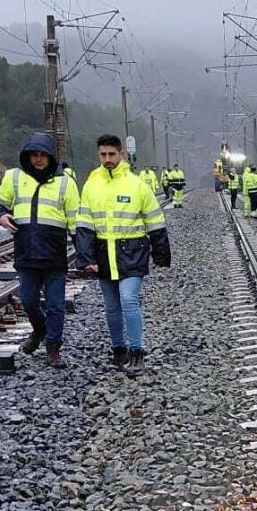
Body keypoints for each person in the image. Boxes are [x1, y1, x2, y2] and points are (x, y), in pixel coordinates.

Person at [75, 135, 171, 374]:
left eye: (112, 154)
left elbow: (155, 220)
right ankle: (119, 349)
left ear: (122, 154)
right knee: (111, 306)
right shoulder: (91, 185)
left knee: (129, 299)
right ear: (99, 155)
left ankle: (137, 351)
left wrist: (161, 253)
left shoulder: (136, 184)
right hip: (103, 253)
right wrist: (85, 258)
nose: (107, 159)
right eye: (103, 155)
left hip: (132, 252)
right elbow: (84, 224)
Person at [0, 133, 80, 368]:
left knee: (56, 305)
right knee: (29, 301)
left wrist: (85, 254)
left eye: (43, 155)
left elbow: (75, 222)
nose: (38, 160)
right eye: (34, 155)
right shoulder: (15, 177)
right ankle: (39, 331)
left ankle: (53, 348)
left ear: (50, 158)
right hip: (27, 253)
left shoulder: (65, 183)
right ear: (28, 156)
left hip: (54, 256)